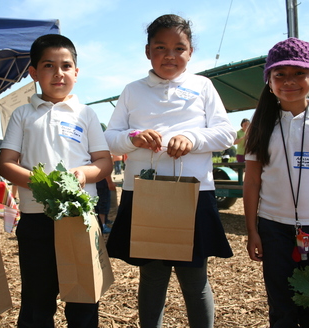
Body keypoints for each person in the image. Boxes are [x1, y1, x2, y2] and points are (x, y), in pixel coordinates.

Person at [104, 14, 235, 328]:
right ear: (148, 51)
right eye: (161, 47)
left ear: (190, 53)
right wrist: (132, 138)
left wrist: (191, 137)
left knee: (194, 278)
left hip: (193, 193)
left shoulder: (203, 86)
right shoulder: (132, 90)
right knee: (151, 277)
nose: (170, 55)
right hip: (143, 193)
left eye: (180, 48)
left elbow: (225, 134)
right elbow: (110, 138)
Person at [0, 34, 112, 328]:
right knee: (37, 300)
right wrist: (44, 185)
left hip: (79, 219)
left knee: (84, 298)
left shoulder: (86, 114)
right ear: (34, 73)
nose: (58, 73)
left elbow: (104, 161)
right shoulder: (22, 114)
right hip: (36, 220)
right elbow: (6, 164)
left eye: (66, 66)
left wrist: (84, 173)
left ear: (76, 72)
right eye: (48, 66)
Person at [244, 37, 309, 328]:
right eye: (280, 75)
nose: (289, 81)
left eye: (299, 73)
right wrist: (252, 230)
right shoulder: (261, 126)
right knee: (281, 305)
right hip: (272, 228)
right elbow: (252, 181)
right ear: (269, 81)